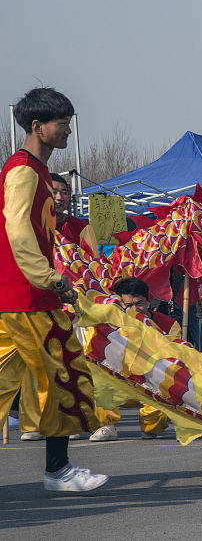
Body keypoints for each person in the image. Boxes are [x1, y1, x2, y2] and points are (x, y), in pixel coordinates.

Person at [0, 87, 107, 492]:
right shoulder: (24, 169)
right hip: (29, 298)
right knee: (65, 374)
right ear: (37, 126)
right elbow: (17, 229)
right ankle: (58, 470)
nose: (66, 129)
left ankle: (58, 468)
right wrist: (50, 279)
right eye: (60, 122)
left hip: (14, 296)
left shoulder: (37, 172)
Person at [88, 278, 176, 442]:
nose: (135, 310)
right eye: (128, 306)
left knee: (170, 389)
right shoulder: (108, 326)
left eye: (139, 304)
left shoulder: (169, 325)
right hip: (119, 385)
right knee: (96, 376)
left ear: (148, 301)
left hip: (152, 385)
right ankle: (106, 425)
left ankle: (151, 427)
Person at [49, 173, 97, 253]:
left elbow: (92, 262)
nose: (60, 197)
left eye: (64, 193)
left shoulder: (82, 228)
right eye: (54, 192)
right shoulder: (31, 226)